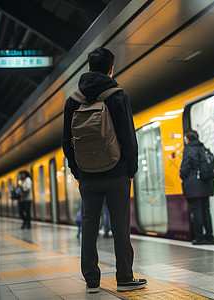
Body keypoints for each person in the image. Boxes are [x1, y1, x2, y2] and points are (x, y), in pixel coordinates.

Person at [62, 47, 146, 293]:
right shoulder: (117, 96)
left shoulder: (72, 101)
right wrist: (130, 169)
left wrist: (77, 171)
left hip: (88, 176)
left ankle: (91, 281)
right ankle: (124, 279)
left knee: (89, 227)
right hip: (117, 172)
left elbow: (67, 142)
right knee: (120, 226)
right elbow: (128, 136)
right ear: (111, 69)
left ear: (88, 68)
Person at [180, 129, 214, 245]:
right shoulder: (204, 149)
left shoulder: (189, 149)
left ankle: (199, 237)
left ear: (187, 139)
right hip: (206, 184)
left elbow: (184, 168)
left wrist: (183, 176)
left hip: (194, 186)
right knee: (206, 210)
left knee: (196, 212)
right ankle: (209, 236)